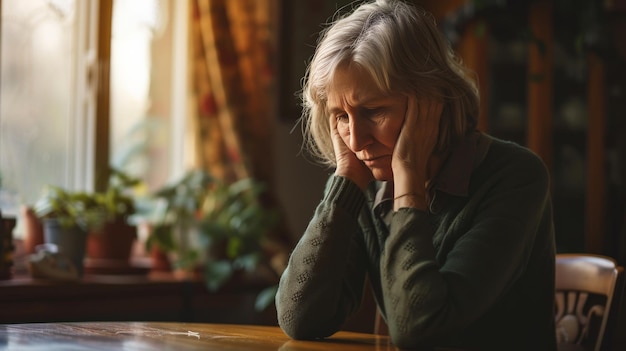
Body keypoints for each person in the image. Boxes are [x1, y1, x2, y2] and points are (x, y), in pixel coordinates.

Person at [275, 0, 557, 350]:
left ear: (432, 100)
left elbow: (421, 332)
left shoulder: (516, 177)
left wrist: (408, 176)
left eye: (373, 111)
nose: (356, 140)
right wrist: (346, 178)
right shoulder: (364, 182)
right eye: (341, 116)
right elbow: (299, 318)